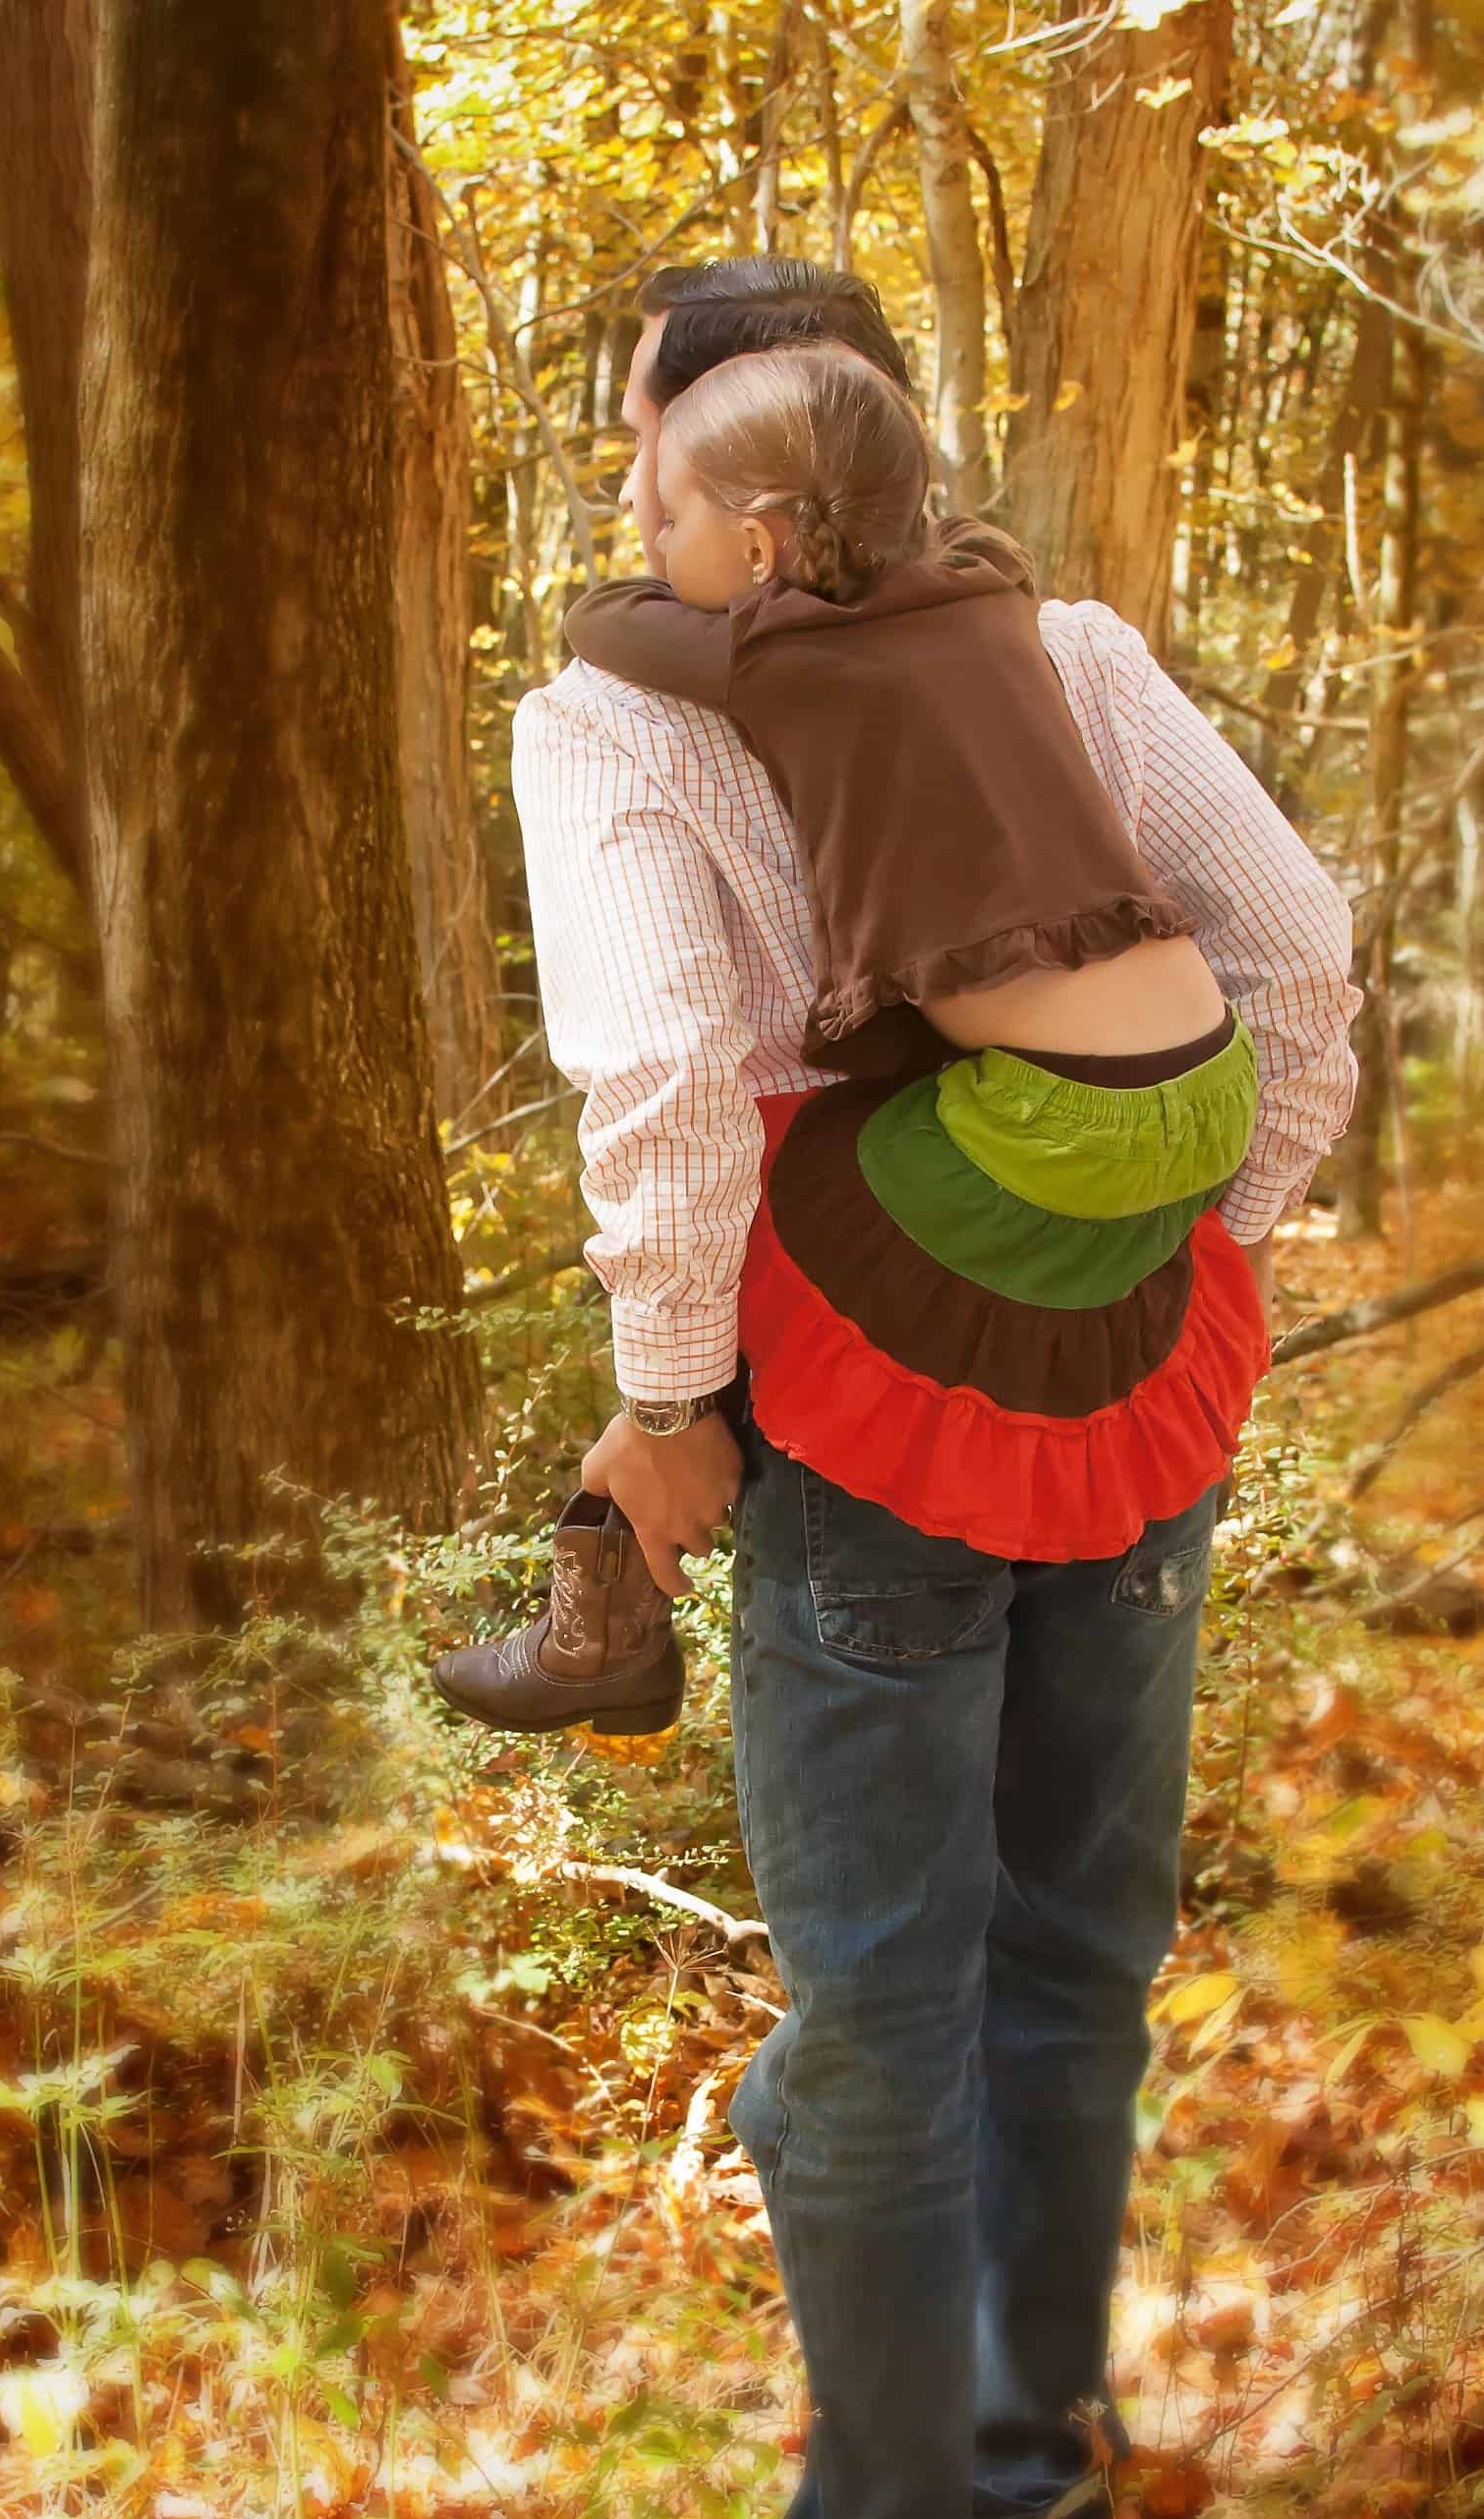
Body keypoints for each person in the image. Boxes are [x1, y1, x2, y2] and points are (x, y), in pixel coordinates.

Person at [510, 257, 1358, 2519]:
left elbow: (664, 1078)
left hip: (864, 1406)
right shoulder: (1064, 651)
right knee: (1073, 1952)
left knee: (883, 2004)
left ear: (746, 481)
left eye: (650, 437)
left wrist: (674, 1396)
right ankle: (1035, 2468)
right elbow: (1298, 958)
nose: (633, 483)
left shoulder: (614, 718)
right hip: (1135, 1382)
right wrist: (1181, 1250)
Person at [437, 340, 1265, 1739]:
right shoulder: (995, 604)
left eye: (665, 514)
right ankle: (610, 1606)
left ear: (760, 545)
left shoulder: (774, 659)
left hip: (1056, 1125)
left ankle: (613, 1601)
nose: (646, 542)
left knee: (791, 1172)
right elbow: (1296, 944)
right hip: (1205, 1080)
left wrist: (669, 1397)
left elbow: (619, 634)